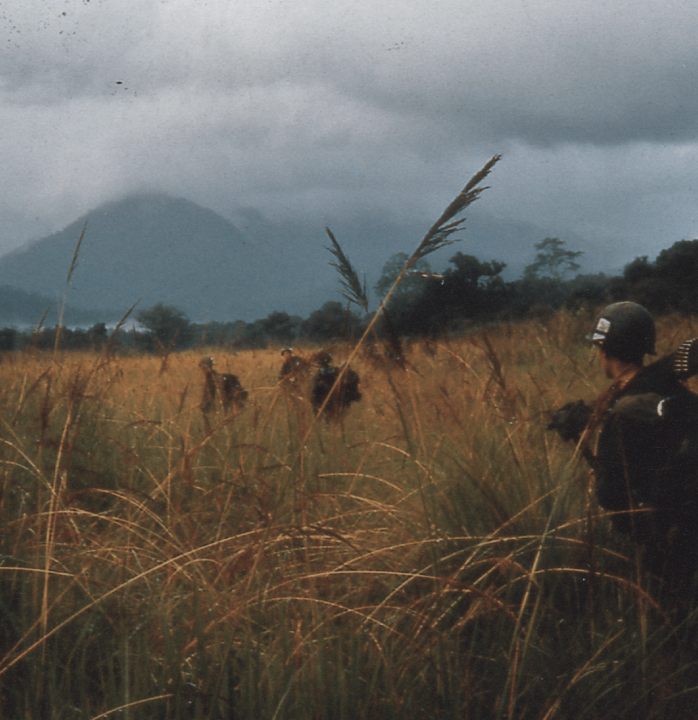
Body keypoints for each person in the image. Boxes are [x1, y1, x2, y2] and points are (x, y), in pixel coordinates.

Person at [548, 302, 698, 600]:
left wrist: (599, 471)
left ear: (603, 351)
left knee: (672, 622)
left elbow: (612, 496)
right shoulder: (671, 388)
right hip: (690, 522)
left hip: (671, 539)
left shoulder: (626, 412)